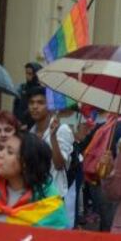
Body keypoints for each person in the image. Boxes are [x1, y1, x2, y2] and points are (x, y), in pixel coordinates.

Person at [26, 87, 76, 225]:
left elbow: (60, 164)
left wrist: (53, 137)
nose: (35, 107)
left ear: (49, 106)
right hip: (33, 196)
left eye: (40, 102)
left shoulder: (62, 129)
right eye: (31, 103)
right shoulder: (30, 132)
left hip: (54, 196)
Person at [14, 62, 42, 126]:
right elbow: (16, 105)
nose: (27, 76)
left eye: (30, 74)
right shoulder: (22, 88)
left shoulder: (41, 91)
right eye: (26, 73)